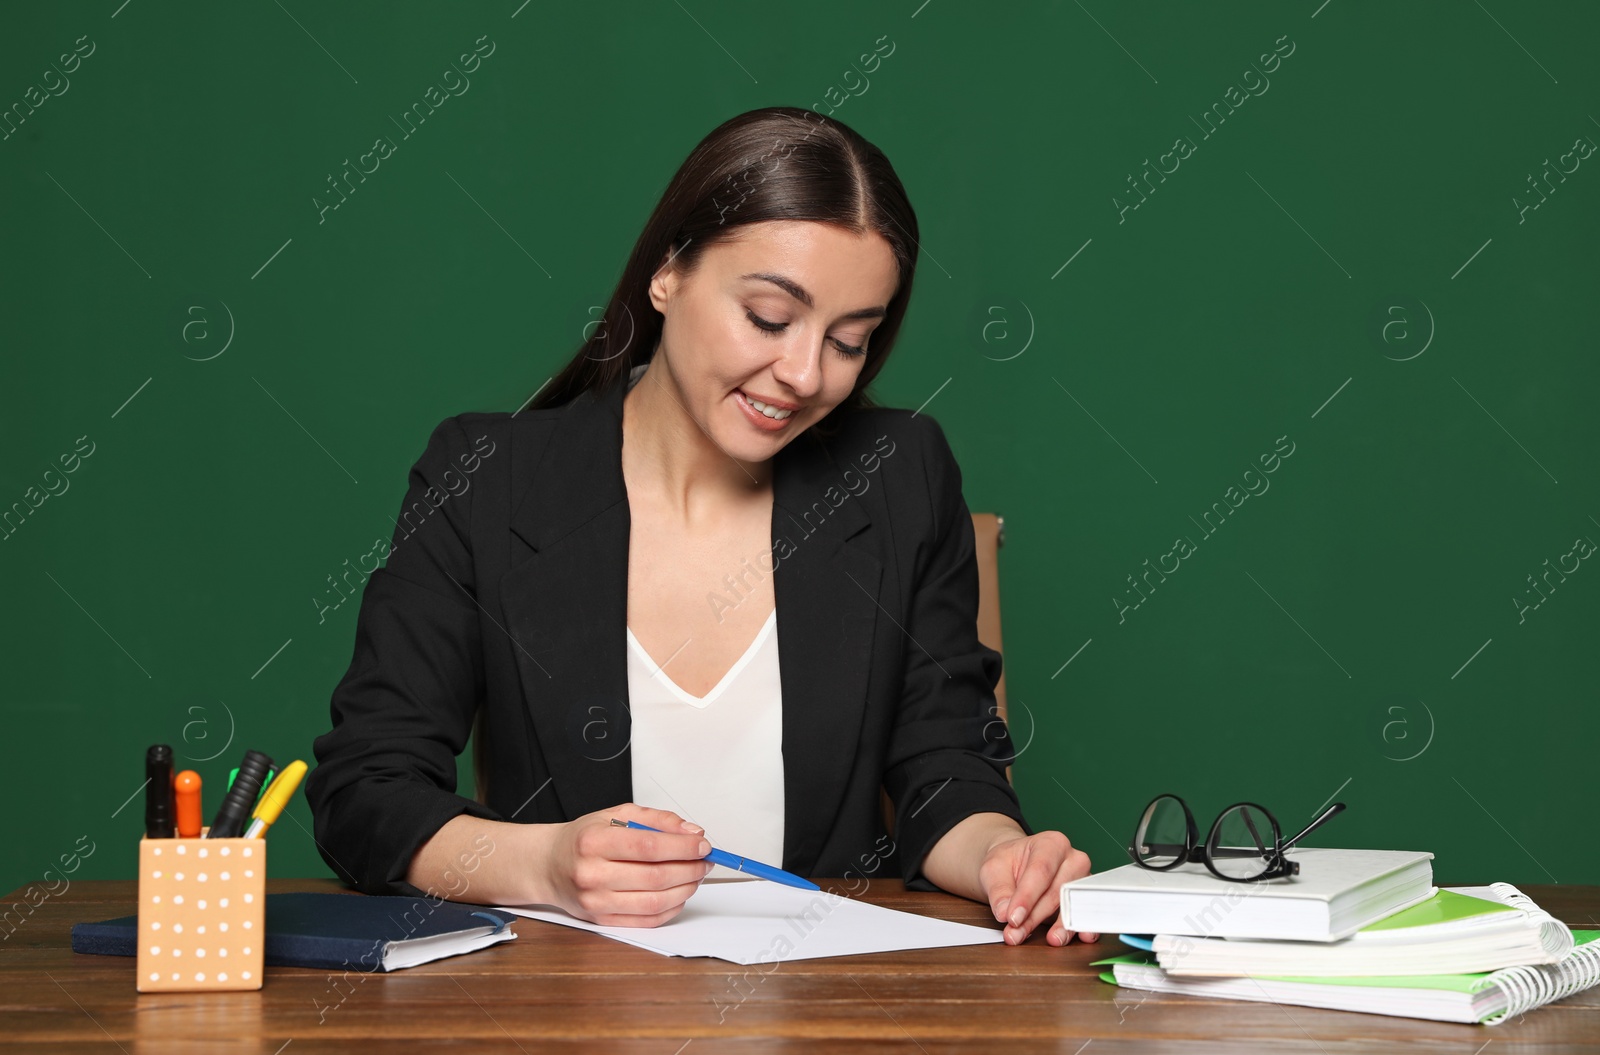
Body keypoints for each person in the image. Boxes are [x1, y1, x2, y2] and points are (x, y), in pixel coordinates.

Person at [305, 106, 1097, 948]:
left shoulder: (900, 472)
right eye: (767, 316)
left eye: (848, 340)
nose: (801, 374)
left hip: (829, 1011)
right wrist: (546, 864)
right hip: (562, 1013)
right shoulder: (487, 478)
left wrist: (1003, 857)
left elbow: (947, 771)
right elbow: (368, 790)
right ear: (667, 273)